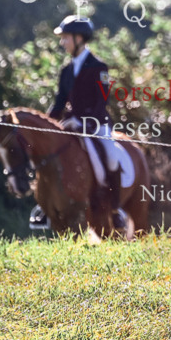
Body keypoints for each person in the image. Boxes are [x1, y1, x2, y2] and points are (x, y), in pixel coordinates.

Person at [33, 15, 124, 230]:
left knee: (111, 157)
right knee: (48, 156)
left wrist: (85, 122)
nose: (62, 43)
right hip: (71, 125)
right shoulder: (65, 71)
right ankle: (43, 206)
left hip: (96, 125)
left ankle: (115, 209)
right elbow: (58, 103)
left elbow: (102, 101)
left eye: (65, 38)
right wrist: (45, 125)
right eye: (62, 38)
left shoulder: (99, 67)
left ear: (79, 38)